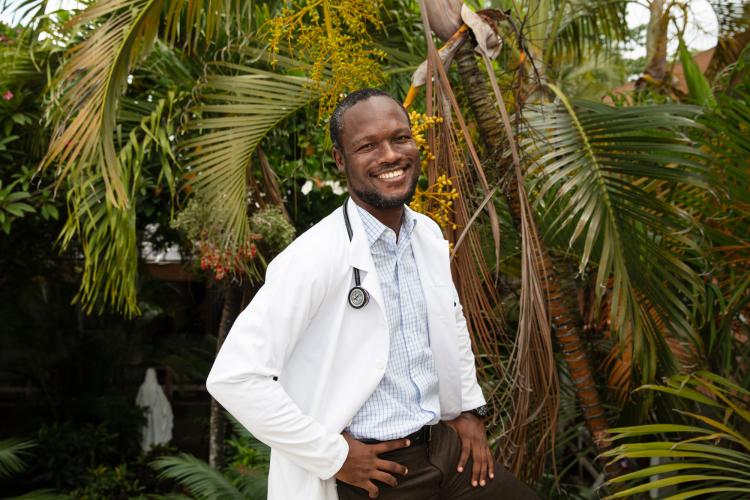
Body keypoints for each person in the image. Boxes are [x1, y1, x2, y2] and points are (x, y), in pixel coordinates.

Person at [206, 89, 537, 499]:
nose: (390, 155)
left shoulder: (427, 235)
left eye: (400, 138)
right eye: (367, 146)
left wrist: (468, 409)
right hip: (372, 473)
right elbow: (233, 377)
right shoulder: (313, 257)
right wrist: (333, 456)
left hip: (443, 449)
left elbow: (450, 322)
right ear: (340, 161)